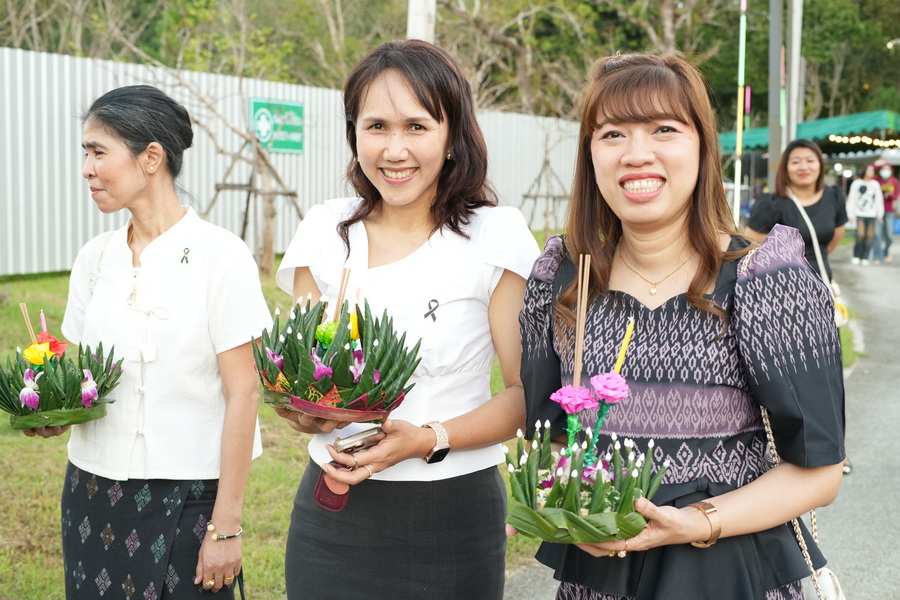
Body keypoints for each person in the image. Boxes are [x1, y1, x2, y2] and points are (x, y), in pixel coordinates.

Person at [516, 54, 844, 599]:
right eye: (613, 133)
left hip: (729, 572)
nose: (637, 154)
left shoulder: (765, 278)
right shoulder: (563, 279)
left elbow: (818, 470)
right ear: (590, 153)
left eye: (664, 129)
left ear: (701, 145)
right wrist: (570, 502)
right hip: (599, 580)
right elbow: (553, 439)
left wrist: (698, 522)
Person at [274, 40, 539, 599]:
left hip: (453, 515)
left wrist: (428, 438)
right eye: (376, 127)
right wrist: (310, 416)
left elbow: (524, 395)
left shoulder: (495, 237)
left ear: (452, 135)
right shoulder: (325, 233)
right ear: (355, 134)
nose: (395, 150)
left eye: (417, 127)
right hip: (334, 511)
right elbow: (301, 382)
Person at [25, 85, 272, 598]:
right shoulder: (96, 259)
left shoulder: (220, 257)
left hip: (190, 496)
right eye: (85, 154)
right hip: (92, 489)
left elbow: (244, 393)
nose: (87, 169)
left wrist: (226, 527)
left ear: (152, 157)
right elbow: (76, 374)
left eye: (98, 152)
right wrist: (51, 409)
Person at [745, 139, 847, 280]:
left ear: (820, 164)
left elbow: (833, 241)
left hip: (822, 282)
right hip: (783, 287)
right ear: (785, 168)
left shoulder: (834, 196)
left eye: (810, 160)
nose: (804, 167)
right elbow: (751, 244)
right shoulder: (770, 204)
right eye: (795, 162)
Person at [846, 164, 884, 266]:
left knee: (869, 236)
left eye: (873, 171)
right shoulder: (857, 183)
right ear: (864, 171)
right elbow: (852, 198)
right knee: (860, 235)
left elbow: (879, 200)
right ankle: (856, 255)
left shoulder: (875, 184)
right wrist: (850, 213)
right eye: (869, 170)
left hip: (872, 214)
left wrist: (880, 214)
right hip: (860, 213)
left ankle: (865, 257)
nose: (871, 172)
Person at [872, 160, 899, 264]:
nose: (885, 171)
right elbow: (869, 172)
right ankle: (877, 256)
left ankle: (886, 252)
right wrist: (876, 164)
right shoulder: (877, 180)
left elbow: (895, 196)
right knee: (877, 235)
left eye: (887, 170)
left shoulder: (894, 181)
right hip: (878, 211)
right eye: (883, 169)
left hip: (889, 211)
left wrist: (890, 194)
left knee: (889, 235)